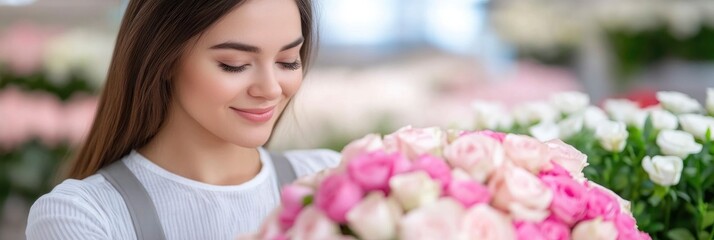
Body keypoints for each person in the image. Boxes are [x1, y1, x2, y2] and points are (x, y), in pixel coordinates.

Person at [25, 0, 340, 239]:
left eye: (287, 62)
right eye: (235, 64)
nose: (271, 89)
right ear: (165, 59)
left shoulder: (333, 180)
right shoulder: (83, 215)